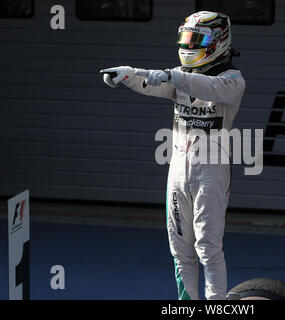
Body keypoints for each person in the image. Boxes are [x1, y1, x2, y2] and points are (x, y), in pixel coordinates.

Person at [100, 11, 245, 300]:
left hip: (212, 173)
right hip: (178, 170)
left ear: (219, 41)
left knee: (207, 246)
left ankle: (216, 303)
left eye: (197, 40)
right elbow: (152, 83)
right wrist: (128, 74)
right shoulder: (180, 79)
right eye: (187, 39)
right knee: (180, 249)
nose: (189, 46)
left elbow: (206, 86)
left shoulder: (232, 80)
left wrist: (171, 75)